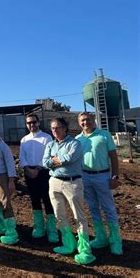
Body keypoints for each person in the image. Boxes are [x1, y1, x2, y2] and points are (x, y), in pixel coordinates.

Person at [43, 117, 95, 265]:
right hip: (54, 182)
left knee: (79, 215)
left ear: (65, 128)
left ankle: (84, 249)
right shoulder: (50, 144)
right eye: (52, 128)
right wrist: (57, 160)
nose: (54, 130)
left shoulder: (75, 143)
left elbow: (70, 158)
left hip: (72, 182)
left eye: (57, 127)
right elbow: (45, 162)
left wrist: (55, 160)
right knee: (60, 214)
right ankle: (68, 243)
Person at [76, 112, 122, 255]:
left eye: (88, 120)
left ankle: (115, 240)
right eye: (82, 120)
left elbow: (113, 156)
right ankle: (101, 237)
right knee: (93, 207)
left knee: (108, 207)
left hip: (102, 176)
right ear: (79, 123)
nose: (85, 123)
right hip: (85, 176)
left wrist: (114, 176)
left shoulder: (104, 135)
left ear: (93, 120)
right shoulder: (77, 139)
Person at [20, 113, 58, 242]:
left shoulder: (47, 138)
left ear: (38, 122)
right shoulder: (24, 140)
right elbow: (22, 156)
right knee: (34, 199)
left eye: (34, 122)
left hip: (43, 172)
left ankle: (52, 229)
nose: (32, 125)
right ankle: (39, 226)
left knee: (47, 199)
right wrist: (27, 168)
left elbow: (50, 156)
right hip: (29, 172)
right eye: (29, 123)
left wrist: (37, 169)